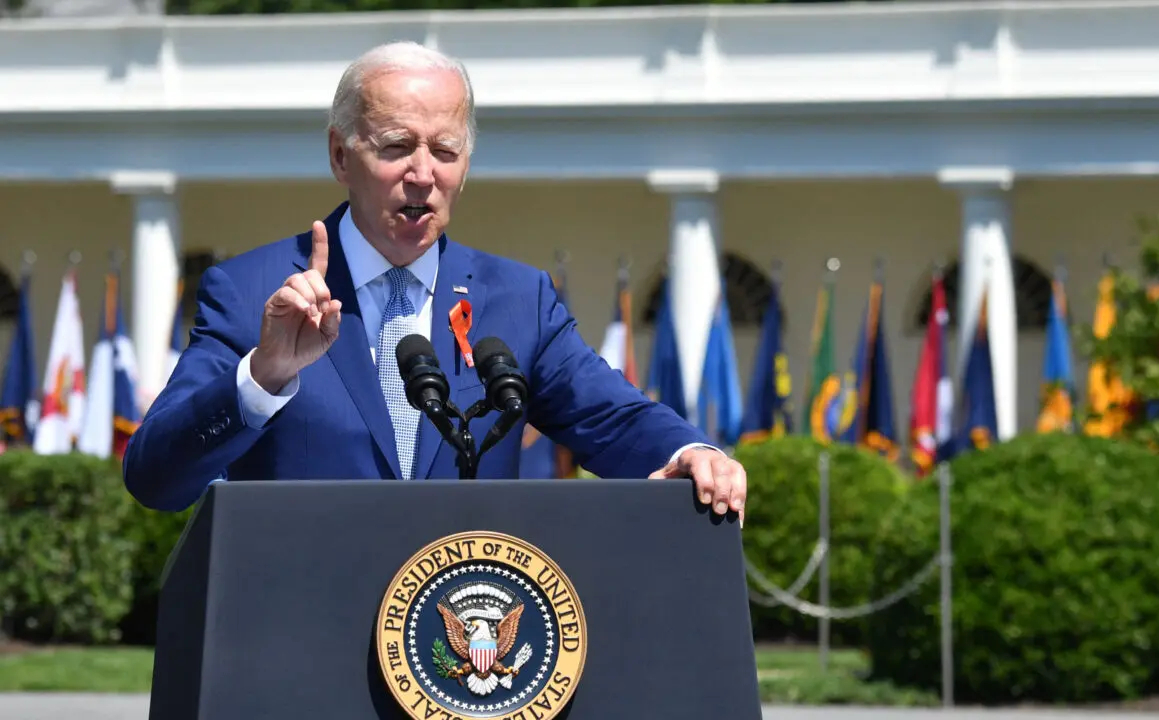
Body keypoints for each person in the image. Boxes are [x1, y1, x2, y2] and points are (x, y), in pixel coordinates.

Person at [121, 41, 748, 524]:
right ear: (341, 155)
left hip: (465, 659)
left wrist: (692, 452)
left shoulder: (517, 300)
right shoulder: (252, 290)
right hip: (303, 649)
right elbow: (154, 477)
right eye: (396, 147)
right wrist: (262, 378)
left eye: (445, 151)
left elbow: (612, 418)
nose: (422, 174)